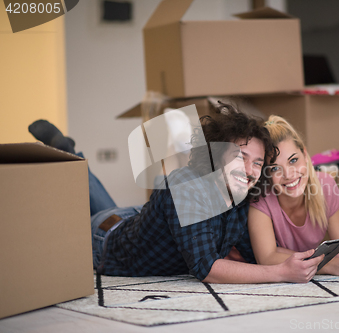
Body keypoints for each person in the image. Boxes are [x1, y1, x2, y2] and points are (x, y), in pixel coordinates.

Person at [28, 104, 324, 283]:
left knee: (123, 212)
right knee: (72, 218)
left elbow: (261, 255)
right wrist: (280, 273)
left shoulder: (241, 196)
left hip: (140, 220)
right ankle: (68, 154)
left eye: (258, 162)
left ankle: (72, 155)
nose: (249, 169)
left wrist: (318, 261)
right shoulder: (187, 186)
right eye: (239, 156)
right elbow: (207, 268)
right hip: (105, 239)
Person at [248, 115, 339, 276]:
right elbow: (267, 257)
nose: (288, 174)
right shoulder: (261, 198)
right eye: (274, 168)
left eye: (293, 160)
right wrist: (326, 264)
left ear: (305, 155)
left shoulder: (325, 185)